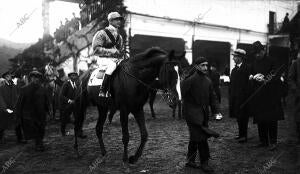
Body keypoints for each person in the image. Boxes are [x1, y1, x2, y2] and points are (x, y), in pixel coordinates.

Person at [181, 57, 220, 172]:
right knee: (201, 137)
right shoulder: (189, 80)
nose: (205, 67)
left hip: (203, 114)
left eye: (206, 65)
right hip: (192, 115)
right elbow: (181, 95)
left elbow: (213, 97)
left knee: (195, 137)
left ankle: (191, 160)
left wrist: (216, 111)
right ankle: (204, 162)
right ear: (197, 66)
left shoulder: (208, 81)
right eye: (202, 65)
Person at [249, 41, 285, 150]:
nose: (257, 55)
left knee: (271, 119)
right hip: (259, 95)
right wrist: (252, 77)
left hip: (271, 95)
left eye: (259, 53)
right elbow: (251, 73)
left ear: (263, 50)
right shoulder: (254, 62)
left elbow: (276, 75)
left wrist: (265, 79)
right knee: (260, 118)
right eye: (255, 53)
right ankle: (263, 141)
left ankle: (273, 141)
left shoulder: (272, 61)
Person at [91, 11, 124, 97]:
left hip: (115, 59)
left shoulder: (119, 37)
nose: (119, 21)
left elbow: (120, 51)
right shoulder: (102, 33)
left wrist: (122, 55)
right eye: (116, 19)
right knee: (112, 66)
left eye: (120, 19)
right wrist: (112, 51)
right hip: (103, 59)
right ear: (111, 21)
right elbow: (96, 49)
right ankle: (103, 89)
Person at [17, 71, 49, 151]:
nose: (35, 79)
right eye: (34, 77)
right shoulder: (24, 89)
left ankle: (39, 142)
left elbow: (46, 101)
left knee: (41, 128)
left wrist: (48, 111)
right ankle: (39, 144)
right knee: (35, 129)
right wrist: (19, 114)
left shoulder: (43, 89)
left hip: (41, 113)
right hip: (30, 114)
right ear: (30, 78)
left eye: (37, 77)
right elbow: (20, 103)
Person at [229, 49, 251, 143]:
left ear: (240, 58)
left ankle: (244, 135)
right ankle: (240, 134)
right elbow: (232, 85)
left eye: (235, 57)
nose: (233, 58)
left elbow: (249, 84)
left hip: (244, 98)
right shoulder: (234, 70)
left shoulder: (247, 68)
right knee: (238, 116)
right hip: (235, 97)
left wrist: (246, 95)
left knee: (244, 117)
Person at [0, 71, 26, 144]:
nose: (9, 77)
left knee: (17, 123)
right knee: (2, 125)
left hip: (14, 108)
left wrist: (18, 106)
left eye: (10, 76)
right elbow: (1, 99)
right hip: (5, 109)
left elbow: (17, 96)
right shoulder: (1, 88)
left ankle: (20, 139)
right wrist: (5, 108)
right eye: (7, 76)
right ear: (4, 78)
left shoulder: (14, 86)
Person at [60, 72, 87, 138]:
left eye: (75, 76)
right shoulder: (66, 84)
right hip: (67, 105)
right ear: (70, 77)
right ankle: (63, 132)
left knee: (78, 118)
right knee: (64, 119)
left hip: (75, 105)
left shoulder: (76, 85)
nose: (74, 77)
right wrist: (69, 100)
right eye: (72, 76)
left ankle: (79, 133)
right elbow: (61, 95)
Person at [288, 51, 300, 144]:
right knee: (298, 116)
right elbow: (290, 78)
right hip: (298, 94)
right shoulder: (296, 63)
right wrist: (296, 89)